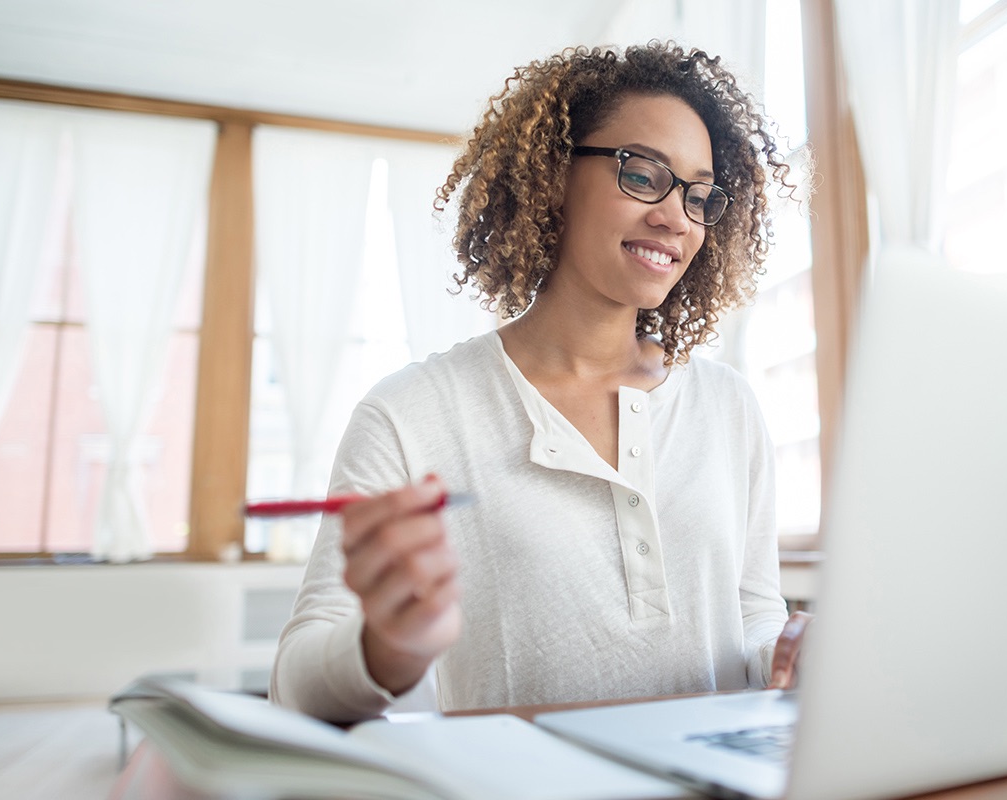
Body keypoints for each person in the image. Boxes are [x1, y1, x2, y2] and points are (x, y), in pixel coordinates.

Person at [271, 41, 812, 723]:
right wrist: (384, 648)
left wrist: (791, 654)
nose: (676, 217)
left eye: (700, 196)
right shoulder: (412, 414)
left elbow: (752, 617)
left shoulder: (728, 408)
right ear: (554, 175)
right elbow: (293, 687)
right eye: (643, 174)